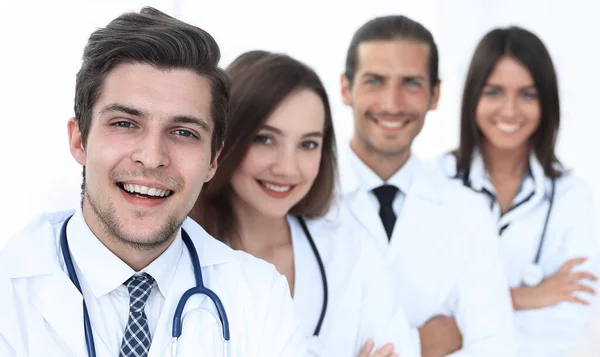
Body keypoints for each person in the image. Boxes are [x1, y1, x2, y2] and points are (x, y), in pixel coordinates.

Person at [0, 7, 307, 357]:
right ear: (79, 140)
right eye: (125, 124)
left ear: (213, 161)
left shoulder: (260, 297)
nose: (152, 157)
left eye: (183, 132)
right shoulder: (9, 293)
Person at [189, 50, 418, 357]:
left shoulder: (353, 253)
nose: (287, 168)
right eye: (265, 139)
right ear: (224, 138)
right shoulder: (172, 256)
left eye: (308, 144)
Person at [333, 15, 517, 357]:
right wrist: (421, 344)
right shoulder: (298, 197)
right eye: (374, 81)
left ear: (435, 94)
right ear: (346, 89)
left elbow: (496, 347)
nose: (392, 103)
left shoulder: (468, 210)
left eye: (411, 83)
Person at [433, 26, 600, 357]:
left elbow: (568, 322)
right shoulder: (432, 182)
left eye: (528, 94)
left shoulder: (572, 198)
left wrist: (458, 326)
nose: (510, 110)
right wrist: (530, 296)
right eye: (494, 92)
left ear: (547, 101)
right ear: (472, 97)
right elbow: (417, 305)